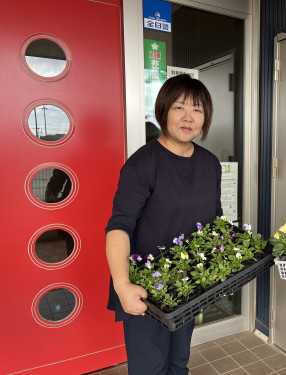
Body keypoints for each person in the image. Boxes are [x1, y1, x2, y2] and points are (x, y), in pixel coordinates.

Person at [105, 74, 222, 375]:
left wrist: (221, 269)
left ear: (205, 117)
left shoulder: (210, 164)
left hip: (186, 284)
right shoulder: (143, 164)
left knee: (178, 363)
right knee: (149, 369)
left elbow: (214, 221)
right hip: (146, 288)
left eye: (197, 109)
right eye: (179, 107)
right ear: (163, 111)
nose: (188, 117)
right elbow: (120, 226)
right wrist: (122, 285)